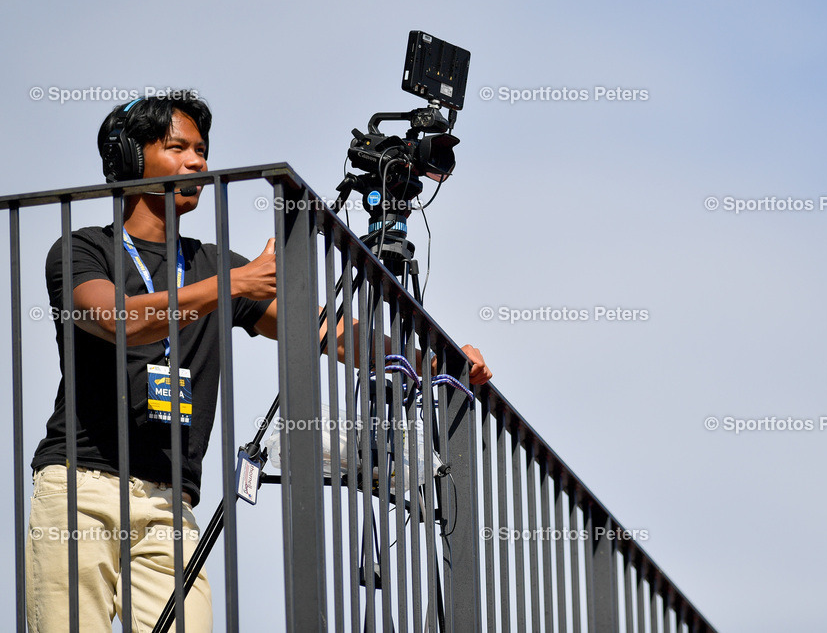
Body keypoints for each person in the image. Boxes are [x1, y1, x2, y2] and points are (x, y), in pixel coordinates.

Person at [26, 93, 491, 632]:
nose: (198, 162)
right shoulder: (81, 249)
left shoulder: (210, 264)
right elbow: (119, 319)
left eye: (201, 150)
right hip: (82, 488)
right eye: (177, 148)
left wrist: (437, 359)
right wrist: (231, 286)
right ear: (130, 158)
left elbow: (331, 333)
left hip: (170, 505)